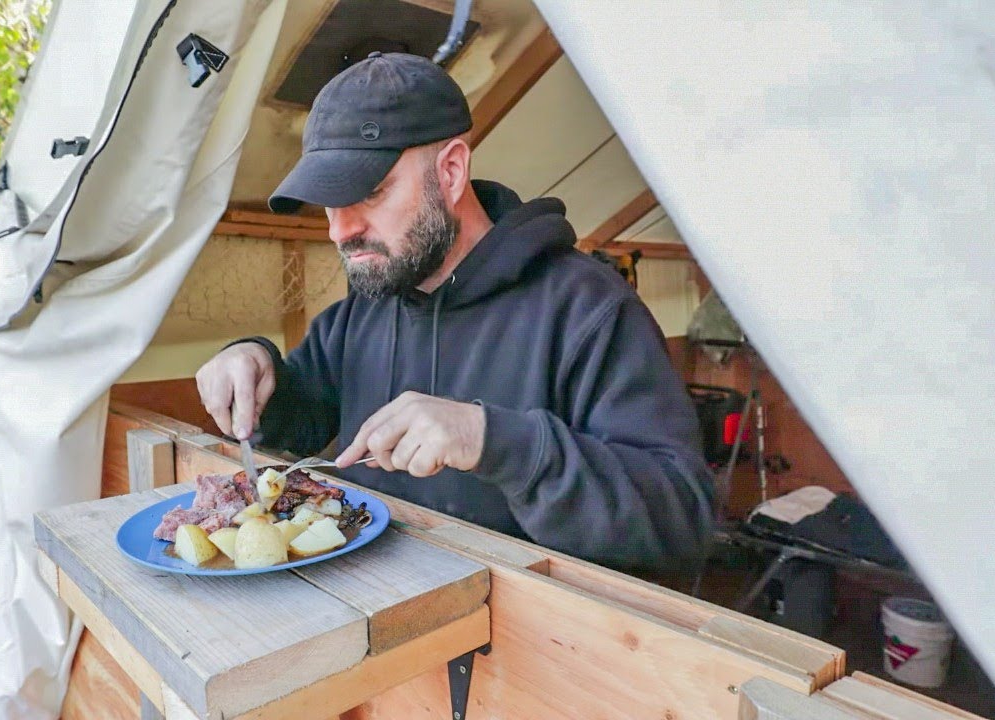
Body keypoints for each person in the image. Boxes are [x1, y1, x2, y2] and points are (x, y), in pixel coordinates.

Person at [196, 52, 714, 571]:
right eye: (329, 202)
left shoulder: (589, 309)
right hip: (366, 613)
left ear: (450, 170)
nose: (339, 230)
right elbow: (301, 419)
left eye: (369, 192)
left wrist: (496, 441)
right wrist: (253, 367)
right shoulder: (367, 305)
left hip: (529, 636)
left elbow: (683, 520)